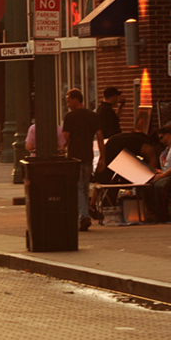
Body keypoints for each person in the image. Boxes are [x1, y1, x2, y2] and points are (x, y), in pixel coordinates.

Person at [61, 88, 103, 232]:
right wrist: (103, 157)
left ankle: (84, 216)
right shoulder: (93, 116)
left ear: (75, 100)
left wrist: (61, 148)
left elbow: (66, 137)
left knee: (78, 186)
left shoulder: (70, 117)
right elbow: (100, 136)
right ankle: (83, 215)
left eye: (68, 101)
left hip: (74, 156)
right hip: (88, 156)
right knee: (84, 187)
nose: (68, 104)